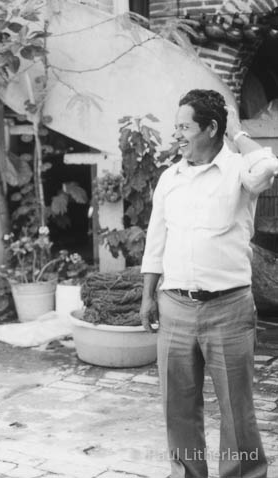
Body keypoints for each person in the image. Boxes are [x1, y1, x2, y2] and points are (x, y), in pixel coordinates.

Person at [139, 89, 277, 478]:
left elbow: (269, 166)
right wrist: (148, 296)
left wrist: (237, 132)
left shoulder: (239, 170)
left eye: (185, 127)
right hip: (175, 307)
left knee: (237, 411)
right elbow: (156, 241)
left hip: (229, 310)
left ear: (212, 128)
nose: (177, 134)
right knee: (177, 407)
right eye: (176, 126)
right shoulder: (170, 178)